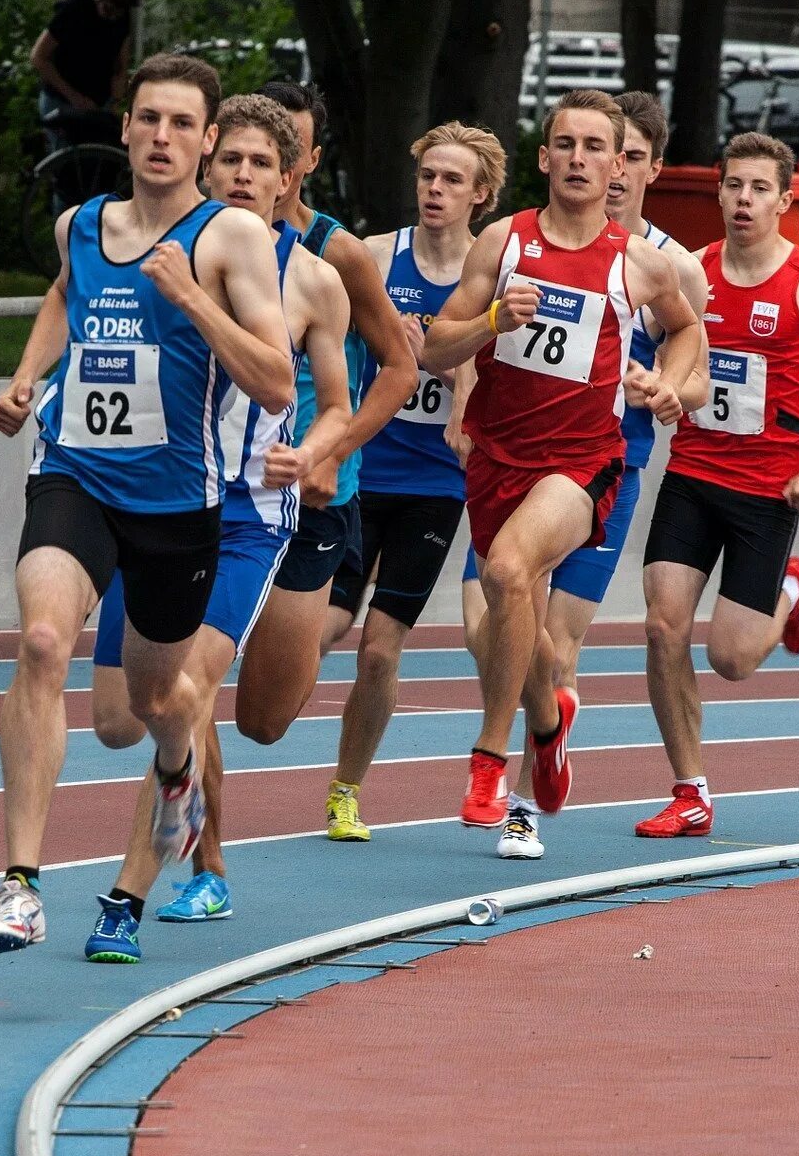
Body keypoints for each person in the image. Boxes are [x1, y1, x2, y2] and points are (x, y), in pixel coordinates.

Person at [0, 54, 294, 956]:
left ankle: (179, 772)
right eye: (148, 119)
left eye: (181, 124)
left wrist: (191, 296)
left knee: (157, 703)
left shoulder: (228, 237)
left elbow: (274, 381)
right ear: (124, 128)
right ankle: (21, 887)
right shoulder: (80, 223)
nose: (162, 137)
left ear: (203, 140)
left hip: (175, 508)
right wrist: (26, 377)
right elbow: (65, 298)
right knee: (42, 641)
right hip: (75, 475)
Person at [82, 94, 352, 958]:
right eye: (229, 159)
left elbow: (341, 402)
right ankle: (197, 833)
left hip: (245, 518)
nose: (241, 176)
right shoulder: (163, 252)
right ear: (207, 164)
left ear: (288, 180)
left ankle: (142, 890)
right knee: (124, 718)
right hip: (156, 500)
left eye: (259, 165)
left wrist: (310, 453)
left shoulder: (311, 278)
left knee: (194, 695)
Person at [423, 88, 701, 831]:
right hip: (497, 458)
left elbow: (687, 331)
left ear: (617, 165)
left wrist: (665, 387)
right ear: (545, 157)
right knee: (505, 625)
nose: (579, 159)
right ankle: (547, 725)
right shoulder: (503, 244)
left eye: (593, 147)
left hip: (584, 462)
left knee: (509, 572)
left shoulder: (638, 263)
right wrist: (490, 320)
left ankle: (488, 763)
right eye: (565, 145)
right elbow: (433, 348)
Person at [636, 130, 799, 838]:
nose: (744, 200)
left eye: (759, 189)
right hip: (692, 471)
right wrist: (652, 383)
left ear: (783, 200)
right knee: (661, 627)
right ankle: (690, 791)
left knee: (733, 659)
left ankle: (790, 589)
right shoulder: (691, 271)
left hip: (767, 490)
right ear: (718, 191)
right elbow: (655, 343)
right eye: (734, 186)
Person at [320, 122, 508, 843]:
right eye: (428, 176)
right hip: (362, 470)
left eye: (452, 180)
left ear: (479, 195)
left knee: (379, 647)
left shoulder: (488, 273)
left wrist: (464, 398)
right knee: (326, 628)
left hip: (434, 486)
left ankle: (346, 790)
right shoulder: (372, 257)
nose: (435, 189)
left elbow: (492, 364)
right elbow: (321, 332)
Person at [231, 82, 418, 747]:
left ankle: (308, 626)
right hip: (215, 486)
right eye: (241, 153)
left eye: (284, 149)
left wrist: (332, 452)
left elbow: (399, 367)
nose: (255, 168)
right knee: (178, 683)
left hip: (310, 492)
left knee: (262, 721)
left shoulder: (336, 255)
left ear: (304, 162)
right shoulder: (197, 239)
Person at [31, 0, 141, 150]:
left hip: (98, 105)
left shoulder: (121, 16)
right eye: (109, 9)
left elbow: (120, 66)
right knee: (68, 165)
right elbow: (38, 57)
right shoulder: (74, 8)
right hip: (61, 100)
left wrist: (115, 102)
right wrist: (74, 97)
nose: (113, 16)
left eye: (118, 12)